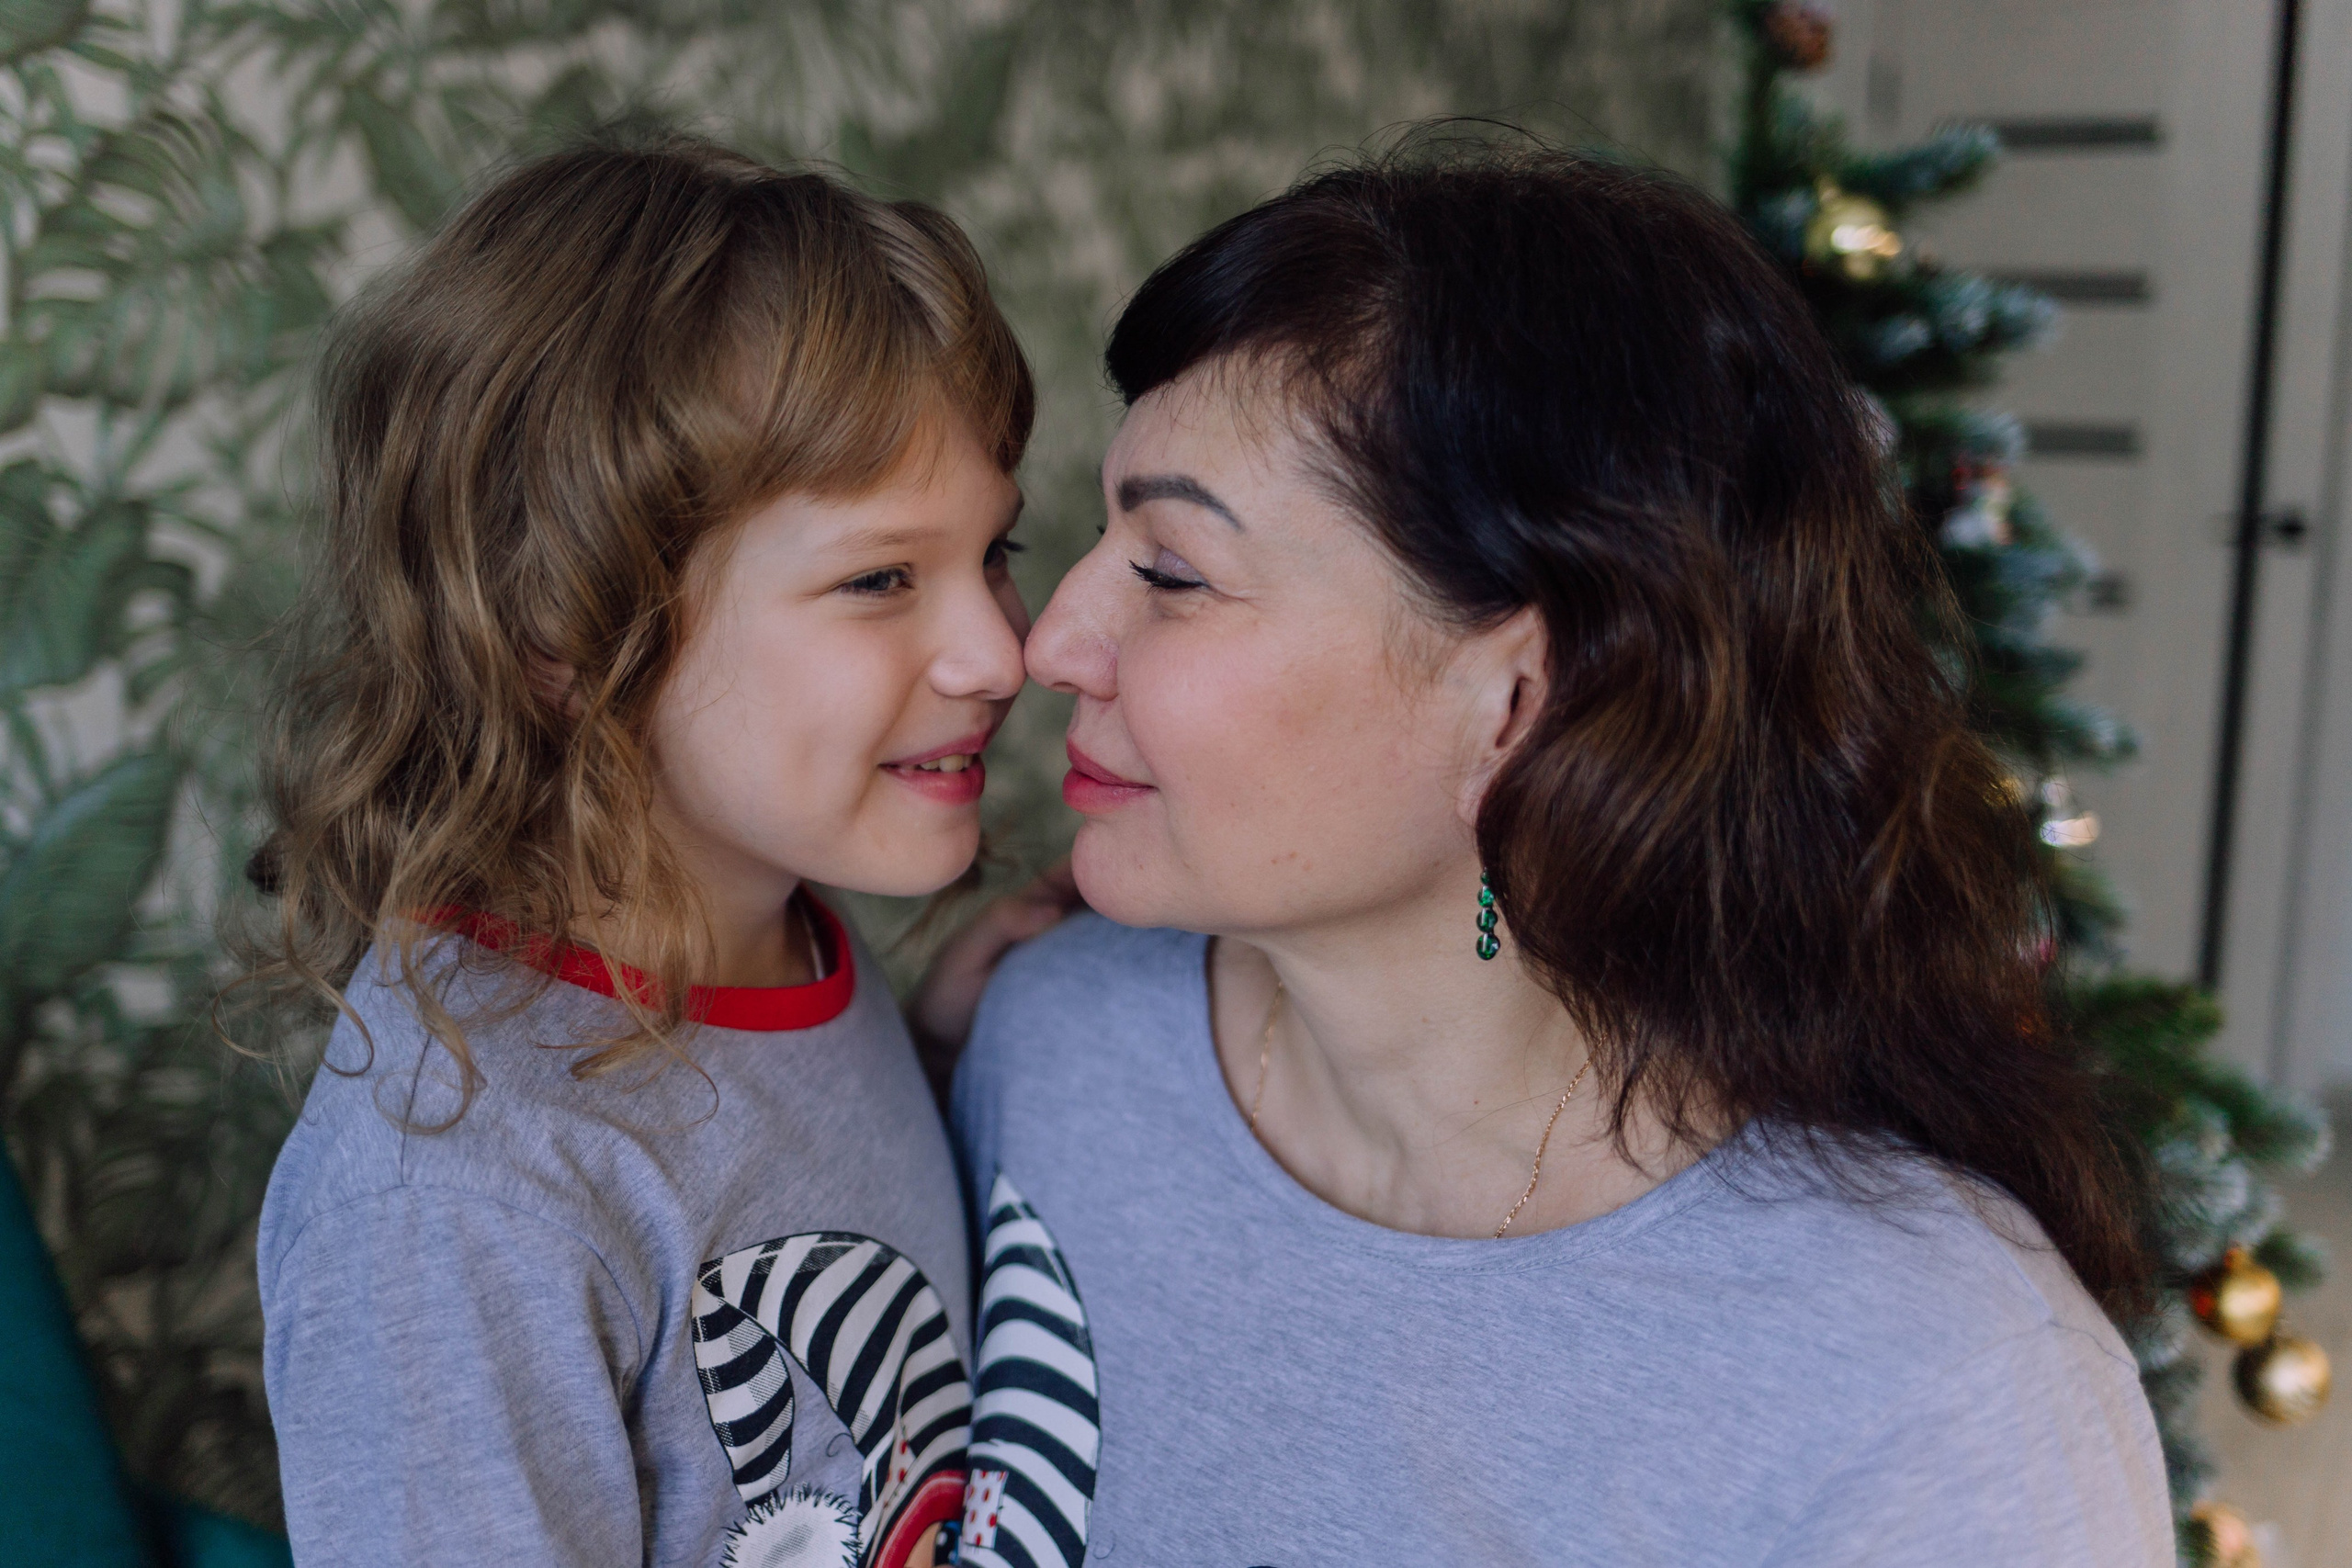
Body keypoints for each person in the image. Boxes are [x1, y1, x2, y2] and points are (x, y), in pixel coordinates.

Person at [933, 144, 2172, 1566]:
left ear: (1515, 702)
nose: (1048, 642)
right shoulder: (1054, 1046)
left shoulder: (1938, 1392)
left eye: (1171, 572)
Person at [244, 138, 1032, 1568]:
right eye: (880, 579)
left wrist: (928, 1057)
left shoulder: (781, 935)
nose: (1000, 653)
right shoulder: (454, 1199)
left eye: (997, 557)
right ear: (558, 627)